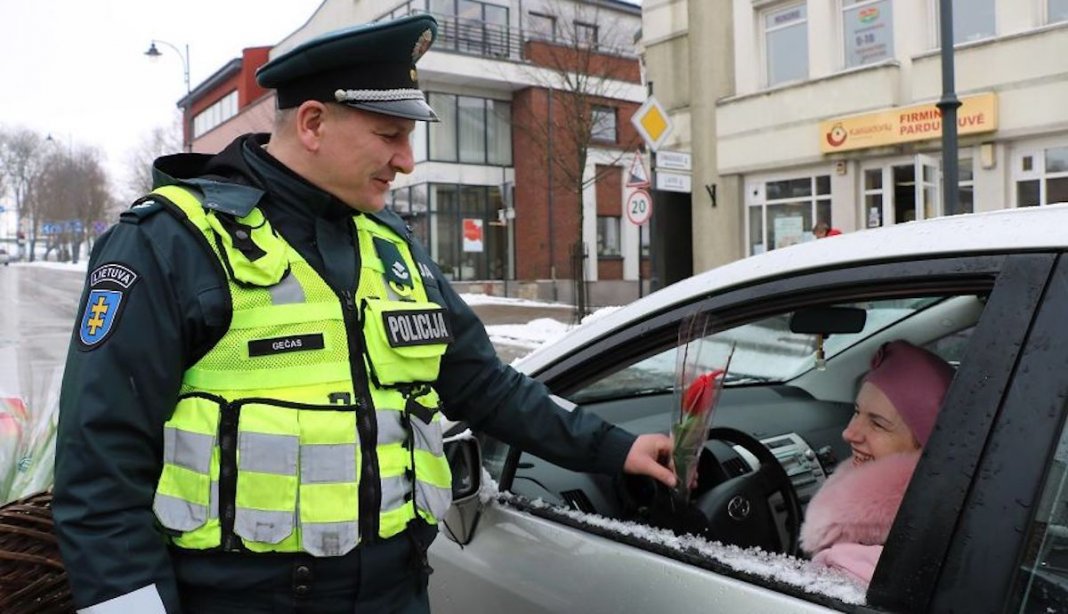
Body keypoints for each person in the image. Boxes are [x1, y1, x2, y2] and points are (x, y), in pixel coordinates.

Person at [52, 15, 675, 614]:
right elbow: (100, 478)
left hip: (398, 593)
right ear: (315, 123)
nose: (406, 161)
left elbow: (482, 383)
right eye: (390, 135)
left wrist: (616, 448)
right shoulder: (171, 240)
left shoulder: (391, 244)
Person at [799, 340, 954, 585]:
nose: (849, 433)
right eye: (857, 411)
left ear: (925, 446)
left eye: (878, 423)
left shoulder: (855, 567)